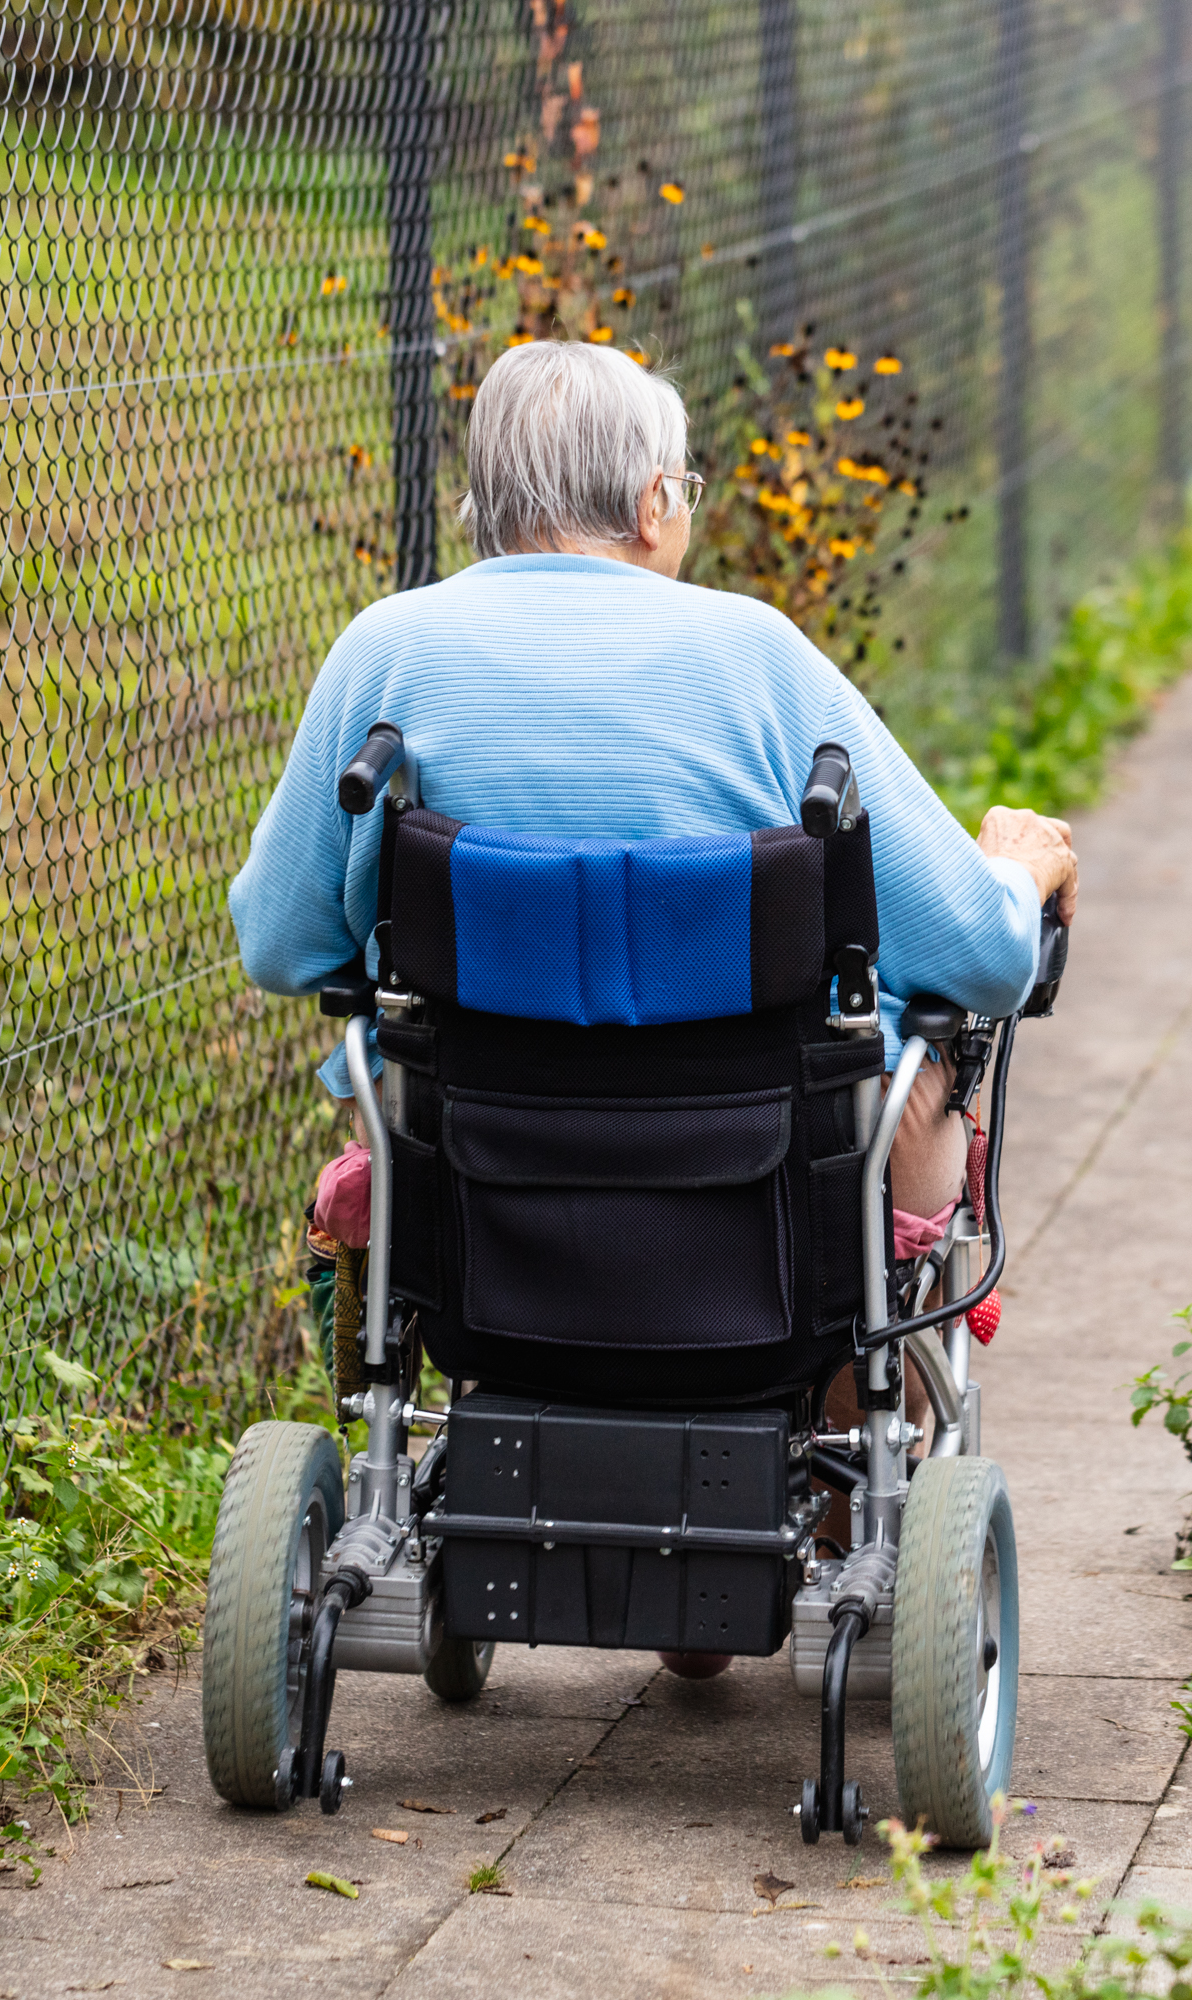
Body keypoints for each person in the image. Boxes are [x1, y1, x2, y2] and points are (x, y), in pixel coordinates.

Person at [227, 339, 1079, 1665]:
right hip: (760, 1260)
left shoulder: (385, 654)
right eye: (682, 485)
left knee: (384, 1059)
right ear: (651, 506)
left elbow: (281, 944)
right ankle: (866, 1453)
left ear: (484, 512)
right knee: (925, 1061)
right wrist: (1019, 874)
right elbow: (976, 955)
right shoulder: (756, 662)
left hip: (484, 1237)